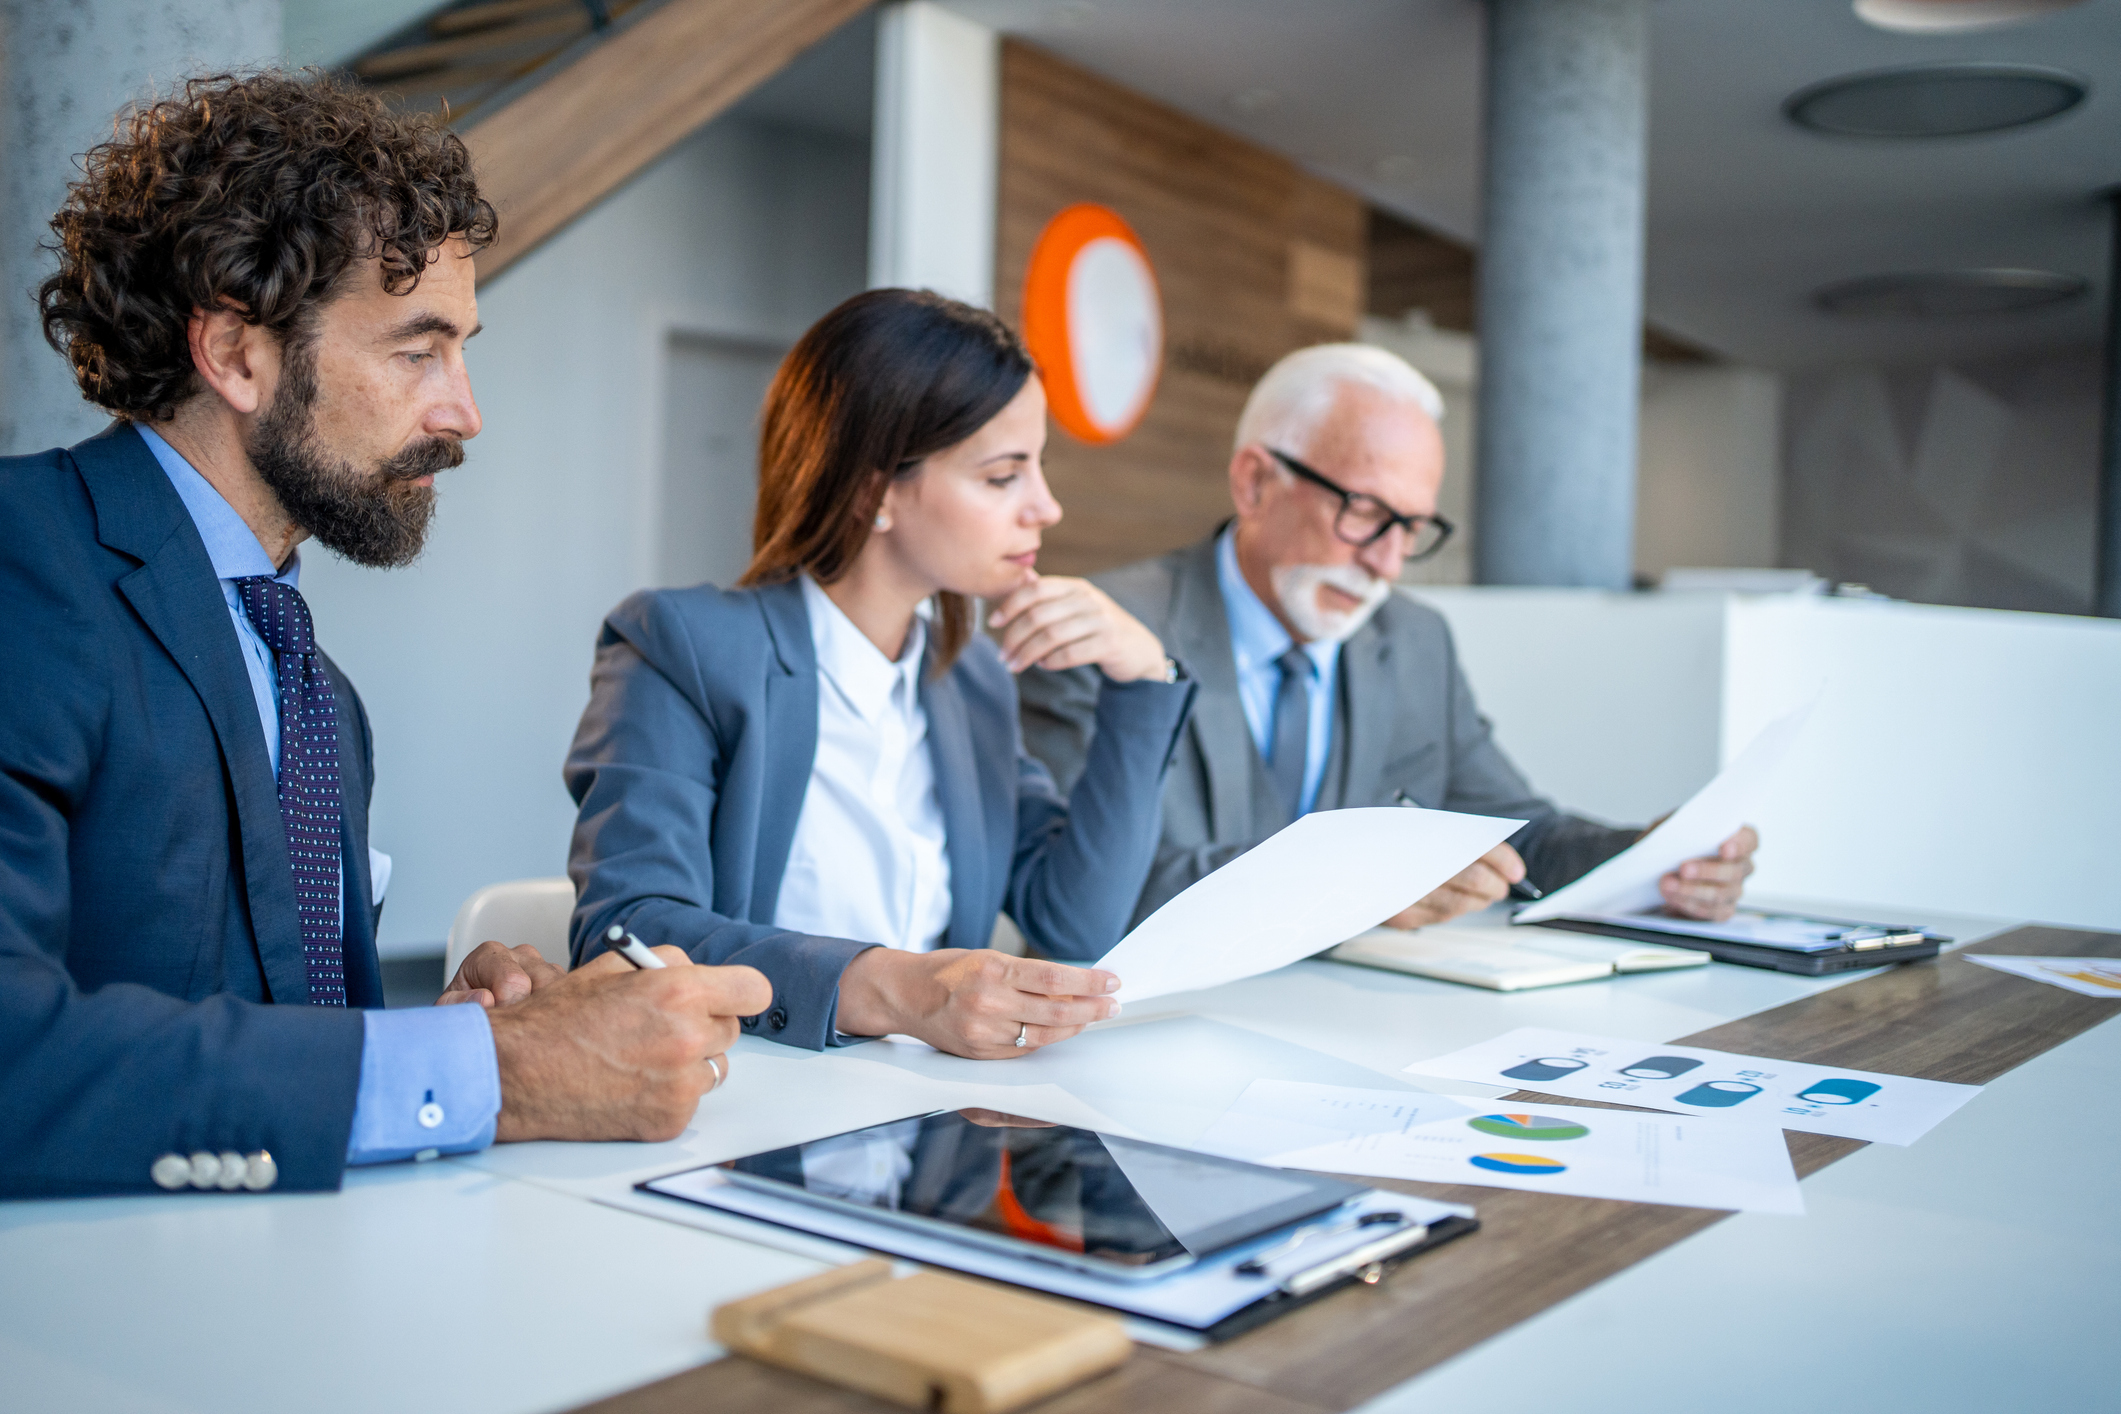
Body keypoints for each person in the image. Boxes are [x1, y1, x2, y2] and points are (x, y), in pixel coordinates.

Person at [0, 72, 769, 1200]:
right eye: (418, 350)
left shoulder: (320, 691)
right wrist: (493, 1071)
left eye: (462, 349)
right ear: (238, 355)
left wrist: (451, 1027)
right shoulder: (24, 562)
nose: (464, 411)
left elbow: (272, 1031)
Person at [565, 289, 1197, 1059]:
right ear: (874, 490)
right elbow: (628, 928)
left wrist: (1141, 681)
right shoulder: (683, 646)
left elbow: (1076, 925)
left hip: (930, 1134)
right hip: (747, 1115)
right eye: (1003, 476)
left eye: (1038, 469)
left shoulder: (972, 686)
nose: (1046, 507)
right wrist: (899, 989)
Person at [1017, 342, 1759, 931]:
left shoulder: (1414, 642)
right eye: (1366, 513)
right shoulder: (1108, 631)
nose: (1386, 561)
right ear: (1253, 484)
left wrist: (1650, 860)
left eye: (1411, 527)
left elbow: (1512, 835)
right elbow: (1095, 893)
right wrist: (1356, 888)